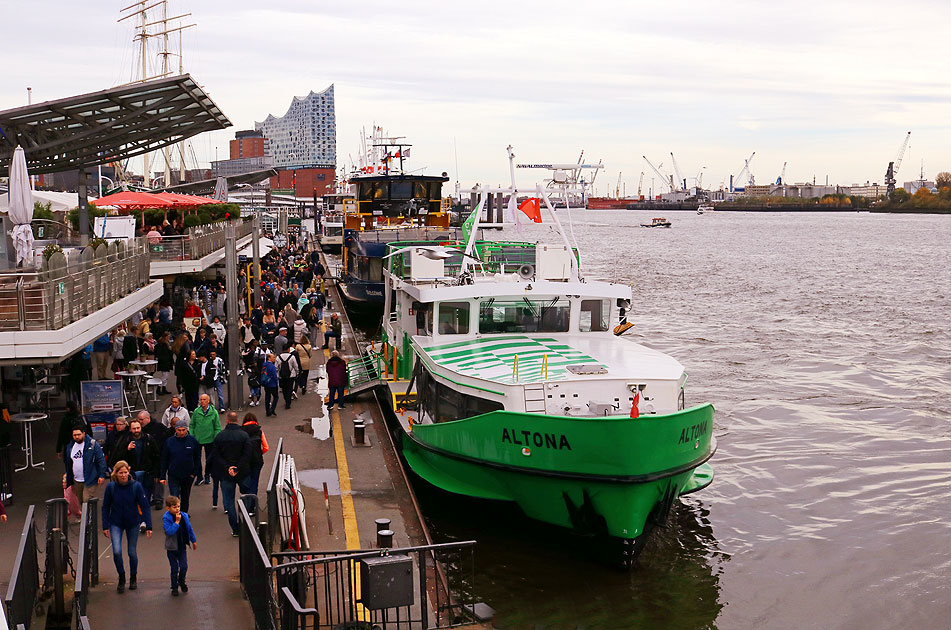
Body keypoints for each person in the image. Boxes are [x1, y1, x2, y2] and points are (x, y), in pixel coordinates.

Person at [102, 460, 152, 593]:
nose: (123, 475)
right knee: (117, 551)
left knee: (132, 552)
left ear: (129, 472)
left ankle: (133, 577)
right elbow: (105, 507)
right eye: (121, 473)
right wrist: (105, 525)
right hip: (116, 522)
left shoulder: (136, 486)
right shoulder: (111, 487)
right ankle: (122, 576)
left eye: (125, 472)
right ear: (116, 474)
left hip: (132, 522)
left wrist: (149, 525)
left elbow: (145, 506)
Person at [111, 418, 160, 525]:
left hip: (147, 473)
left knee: (145, 497)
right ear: (130, 429)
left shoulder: (148, 439)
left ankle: (144, 521)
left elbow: (156, 456)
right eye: (134, 428)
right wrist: (127, 450)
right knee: (133, 498)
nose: (136, 430)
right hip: (131, 474)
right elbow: (116, 458)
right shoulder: (124, 440)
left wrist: (157, 473)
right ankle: (137, 518)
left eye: (138, 428)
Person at [209, 411, 251, 537]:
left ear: (227, 421)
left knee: (229, 501)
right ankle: (245, 522)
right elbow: (247, 454)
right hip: (242, 471)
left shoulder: (220, 437)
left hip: (226, 473)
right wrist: (237, 467)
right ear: (237, 420)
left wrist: (228, 467)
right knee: (247, 495)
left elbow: (216, 456)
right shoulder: (244, 436)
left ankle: (235, 528)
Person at [159, 423, 201, 513]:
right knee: (174, 497)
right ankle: (175, 516)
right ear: (175, 430)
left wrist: (194, 473)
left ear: (187, 429)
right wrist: (162, 476)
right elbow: (164, 459)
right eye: (179, 430)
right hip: (173, 475)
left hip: (188, 475)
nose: (181, 432)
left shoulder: (192, 441)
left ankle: (184, 515)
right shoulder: (169, 442)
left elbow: (197, 458)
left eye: (183, 430)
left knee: (185, 497)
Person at [162, 495, 197, 596]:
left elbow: (189, 529)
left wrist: (193, 540)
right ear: (168, 508)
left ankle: (182, 581)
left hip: (181, 546)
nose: (177, 509)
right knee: (174, 568)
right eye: (174, 507)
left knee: (184, 566)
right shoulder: (166, 518)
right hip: (172, 547)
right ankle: (174, 586)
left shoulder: (184, 515)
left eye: (178, 506)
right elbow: (169, 532)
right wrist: (176, 522)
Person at [64, 424, 108, 503]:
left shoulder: (92, 444)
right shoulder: (70, 446)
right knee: (80, 500)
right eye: (74, 435)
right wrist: (67, 475)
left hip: (90, 478)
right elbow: (69, 462)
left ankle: (89, 515)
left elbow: (100, 460)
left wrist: (102, 475)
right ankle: (86, 515)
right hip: (77, 479)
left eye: (79, 434)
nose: (77, 437)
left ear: (83, 433)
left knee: (86, 501)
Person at [191, 394, 221, 489]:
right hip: (197, 440)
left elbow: (217, 427)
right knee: (197, 459)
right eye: (201, 399)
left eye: (204, 399)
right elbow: (192, 425)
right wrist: (192, 436)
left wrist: (216, 437)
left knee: (209, 459)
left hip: (210, 440)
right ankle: (199, 477)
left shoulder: (214, 412)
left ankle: (207, 475)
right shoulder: (196, 411)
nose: (202, 401)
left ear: (208, 401)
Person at [240, 413, 268, 495]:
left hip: (244, 461)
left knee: (246, 481)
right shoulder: (259, 431)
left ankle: (245, 499)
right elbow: (266, 447)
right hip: (257, 460)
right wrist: (259, 453)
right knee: (254, 481)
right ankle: (253, 502)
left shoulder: (241, 431)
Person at [242, 340, 266, 407]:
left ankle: (258, 398)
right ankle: (252, 398)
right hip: (250, 369)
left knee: (258, 384)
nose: (255, 344)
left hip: (257, 370)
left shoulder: (259, 350)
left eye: (256, 342)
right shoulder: (248, 351)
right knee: (251, 383)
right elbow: (244, 358)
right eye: (254, 343)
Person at [154, 331, 174, 395]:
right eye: (168, 336)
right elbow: (163, 353)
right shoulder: (163, 344)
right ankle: (159, 388)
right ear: (165, 337)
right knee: (164, 376)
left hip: (166, 361)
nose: (169, 337)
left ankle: (163, 388)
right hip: (164, 361)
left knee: (166, 376)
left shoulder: (165, 343)